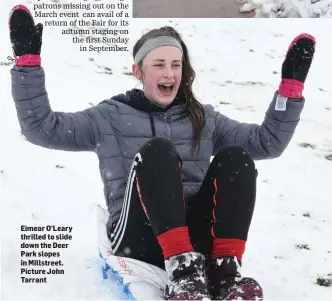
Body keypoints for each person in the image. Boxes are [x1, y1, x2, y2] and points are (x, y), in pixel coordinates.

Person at [9, 4, 315, 300]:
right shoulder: (108, 117)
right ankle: (181, 271)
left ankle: (225, 272)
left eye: (175, 64)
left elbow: (267, 143)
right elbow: (41, 128)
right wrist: (27, 63)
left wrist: (290, 88)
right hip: (137, 238)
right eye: (158, 64)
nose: (169, 73)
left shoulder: (202, 118)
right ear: (137, 71)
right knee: (158, 151)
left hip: (195, 238)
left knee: (237, 158)